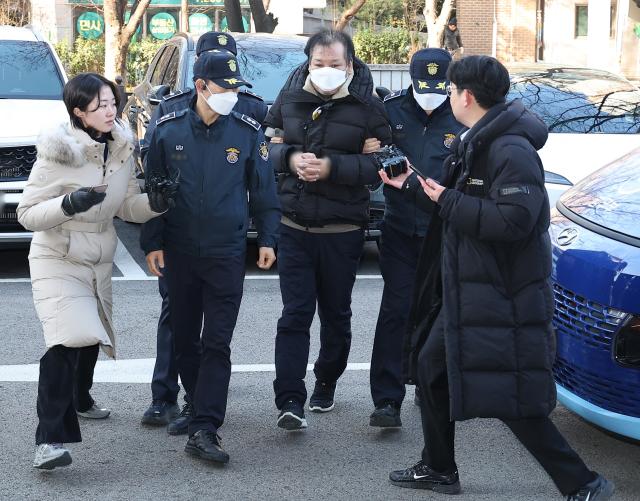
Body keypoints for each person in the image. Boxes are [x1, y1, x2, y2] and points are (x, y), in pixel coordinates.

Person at [388, 56, 614, 501]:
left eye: (452, 90)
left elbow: (514, 221)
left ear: (466, 96)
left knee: (510, 397)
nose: (449, 97)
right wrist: (415, 188)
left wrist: (448, 199)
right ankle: (438, 467)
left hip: (499, 293)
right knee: (433, 370)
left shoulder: (509, 149)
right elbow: (455, 203)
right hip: (467, 288)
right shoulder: (478, 141)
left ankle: (584, 484)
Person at [17, 73, 165, 470]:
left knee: (89, 337)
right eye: (98, 105)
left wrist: (159, 202)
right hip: (57, 256)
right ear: (78, 112)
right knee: (68, 340)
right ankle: (48, 441)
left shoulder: (120, 145)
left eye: (112, 101)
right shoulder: (57, 153)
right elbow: (26, 214)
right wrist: (69, 203)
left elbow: (126, 206)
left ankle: (81, 398)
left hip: (99, 258)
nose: (109, 109)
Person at [143, 50, 280, 464]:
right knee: (184, 340)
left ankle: (206, 427)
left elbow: (264, 192)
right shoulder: (167, 130)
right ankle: (196, 404)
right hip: (180, 252)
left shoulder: (245, 131)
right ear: (201, 86)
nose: (232, 96)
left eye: (236, 89)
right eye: (224, 88)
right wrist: (153, 242)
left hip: (225, 251)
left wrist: (268, 239)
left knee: (217, 342)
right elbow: (150, 191)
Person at [263, 29, 392, 430]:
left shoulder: (369, 107)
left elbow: (382, 169)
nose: (326, 71)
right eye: (319, 64)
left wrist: (334, 167)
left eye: (335, 65)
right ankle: (289, 399)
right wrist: (291, 157)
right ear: (308, 63)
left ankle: (326, 380)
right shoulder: (289, 98)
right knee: (295, 314)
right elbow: (264, 150)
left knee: (336, 314)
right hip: (293, 224)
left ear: (349, 65)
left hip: (343, 230)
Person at [366, 48, 462, 428]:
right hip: (400, 230)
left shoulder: (459, 113)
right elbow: (372, 152)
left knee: (438, 312)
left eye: (438, 87)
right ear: (411, 78)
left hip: (442, 232)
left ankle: (430, 385)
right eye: (424, 85)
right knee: (396, 310)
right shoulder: (391, 111)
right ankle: (387, 399)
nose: (431, 94)